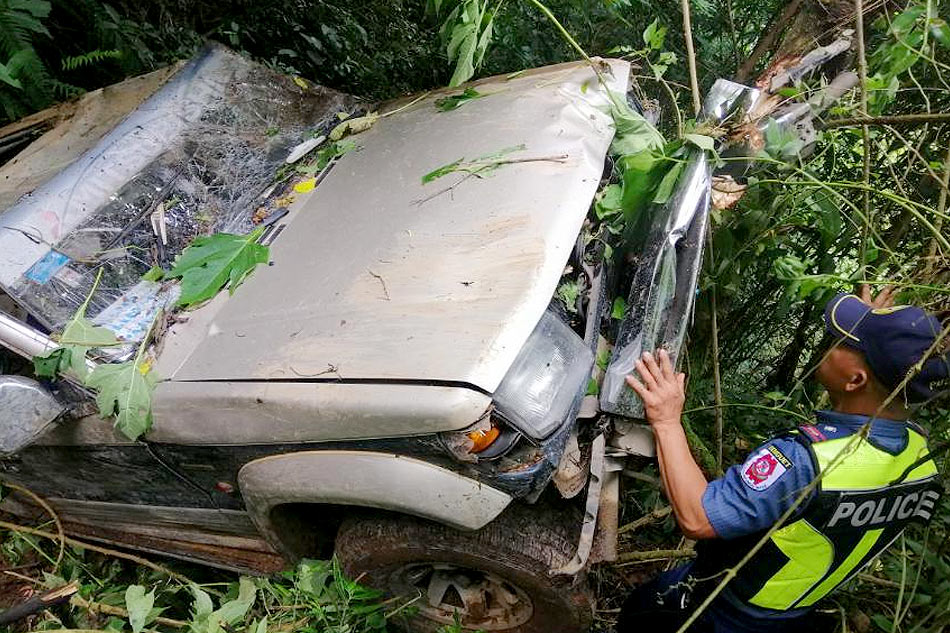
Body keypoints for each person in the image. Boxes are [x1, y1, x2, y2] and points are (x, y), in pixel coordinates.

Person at [617, 286, 947, 633]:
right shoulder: (920, 462)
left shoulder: (806, 462)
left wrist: (667, 421)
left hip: (719, 612)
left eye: (843, 343)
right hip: (788, 617)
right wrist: (876, 334)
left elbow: (698, 518)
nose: (832, 339)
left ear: (855, 380)